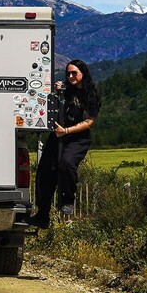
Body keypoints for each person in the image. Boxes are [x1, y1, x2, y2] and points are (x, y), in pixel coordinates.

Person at [29, 58, 100, 226]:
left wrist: (66, 131)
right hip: (58, 135)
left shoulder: (91, 94)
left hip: (78, 138)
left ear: (83, 73)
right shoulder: (66, 91)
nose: (71, 76)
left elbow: (89, 121)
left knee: (67, 164)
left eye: (74, 73)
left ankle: (68, 200)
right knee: (45, 171)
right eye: (68, 73)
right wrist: (57, 90)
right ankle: (42, 213)